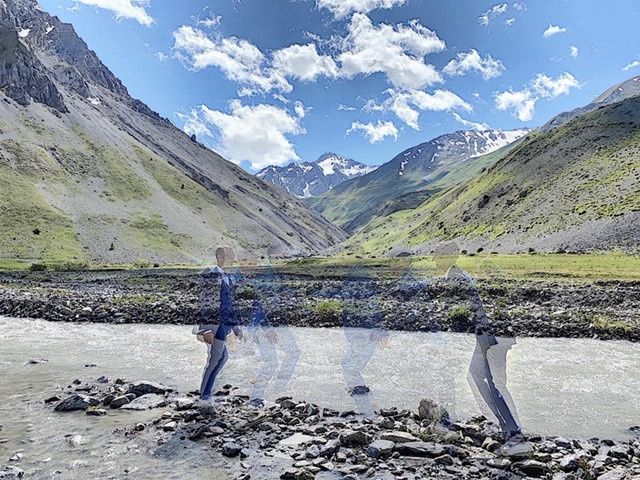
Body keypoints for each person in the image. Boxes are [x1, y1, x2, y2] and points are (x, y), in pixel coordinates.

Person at [433, 242, 523, 441]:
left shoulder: (454, 277)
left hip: (486, 337)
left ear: (448, 256)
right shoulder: (461, 273)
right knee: (479, 376)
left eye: (437, 255)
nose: (433, 259)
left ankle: (511, 429)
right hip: (489, 336)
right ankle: (504, 423)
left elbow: (467, 312)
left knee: (492, 382)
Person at [247, 255, 300, 406]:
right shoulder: (265, 280)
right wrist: (266, 328)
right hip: (265, 327)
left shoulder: (274, 279)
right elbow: (259, 307)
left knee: (291, 353)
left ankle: (278, 388)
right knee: (271, 361)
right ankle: (256, 398)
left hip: (275, 325)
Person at [193, 246, 244, 403]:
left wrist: (235, 327)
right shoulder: (211, 273)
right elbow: (204, 301)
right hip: (213, 324)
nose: (233, 262)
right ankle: (204, 396)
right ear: (220, 256)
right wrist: (205, 329)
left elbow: (230, 305)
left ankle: (207, 392)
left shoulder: (227, 277)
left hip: (223, 324)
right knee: (216, 358)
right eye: (231, 258)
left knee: (221, 358)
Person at [340, 265, 387, 417]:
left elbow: (354, 312)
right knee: (350, 365)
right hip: (364, 333)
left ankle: (365, 406)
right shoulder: (366, 289)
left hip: (362, 333)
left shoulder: (354, 288)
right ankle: (365, 402)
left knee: (349, 366)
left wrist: (375, 329)